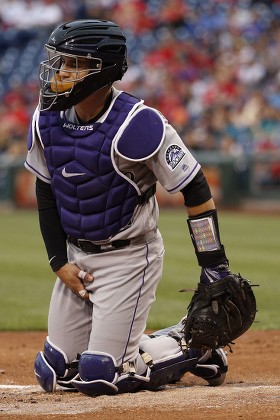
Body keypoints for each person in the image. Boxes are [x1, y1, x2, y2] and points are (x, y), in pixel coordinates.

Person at [25, 19, 237, 396]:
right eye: (61, 62)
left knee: (99, 375)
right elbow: (46, 194)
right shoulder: (46, 119)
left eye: (74, 64)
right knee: (55, 372)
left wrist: (213, 263)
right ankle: (158, 344)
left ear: (103, 71)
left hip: (128, 258)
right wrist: (58, 261)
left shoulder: (140, 123)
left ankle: (197, 348)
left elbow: (196, 189)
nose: (60, 72)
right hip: (78, 255)